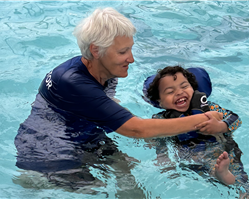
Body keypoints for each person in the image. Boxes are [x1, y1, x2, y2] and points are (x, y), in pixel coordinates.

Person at [13, 7, 222, 197]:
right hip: (49, 154)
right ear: (96, 50)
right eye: (123, 52)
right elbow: (136, 130)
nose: (131, 59)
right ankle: (36, 180)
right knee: (99, 191)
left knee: (126, 172)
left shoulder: (105, 70)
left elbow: (104, 105)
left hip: (83, 132)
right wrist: (203, 119)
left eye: (130, 49)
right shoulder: (72, 81)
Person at [144, 65, 249, 198]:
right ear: (160, 102)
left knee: (240, 181)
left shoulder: (210, 107)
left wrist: (221, 126)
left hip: (221, 149)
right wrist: (163, 157)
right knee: (221, 175)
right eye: (170, 91)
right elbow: (158, 139)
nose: (179, 92)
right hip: (190, 156)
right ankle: (221, 174)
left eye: (184, 86)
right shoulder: (161, 119)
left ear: (193, 88)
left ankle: (221, 174)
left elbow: (235, 119)